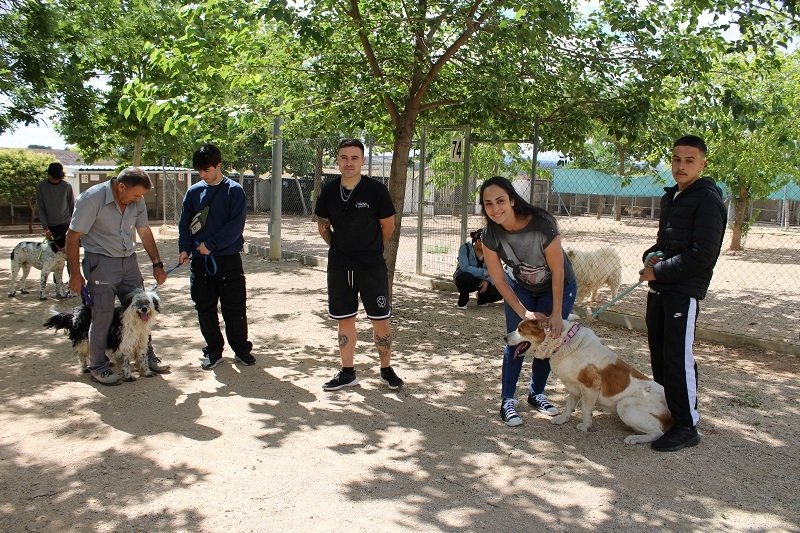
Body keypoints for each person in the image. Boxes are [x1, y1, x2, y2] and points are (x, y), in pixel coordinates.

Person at [639, 135, 726, 452]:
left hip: (683, 292)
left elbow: (703, 254)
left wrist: (659, 270)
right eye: (676, 159)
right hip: (661, 289)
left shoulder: (708, 200)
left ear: (703, 163)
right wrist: (651, 255)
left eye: (689, 160)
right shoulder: (672, 196)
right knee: (660, 353)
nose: (681, 166)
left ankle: (687, 426)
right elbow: (666, 243)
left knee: (678, 358)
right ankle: (669, 414)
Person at [479, 175, 577, 427]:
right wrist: (525, 312)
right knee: (516, 338)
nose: (495, 208)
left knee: (547, 339)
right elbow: (500, 280)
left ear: (512, 200)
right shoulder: (490, 235)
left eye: (500, 200)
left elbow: (558, 271)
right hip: (521, 286)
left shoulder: (541, 224)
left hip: (557, 286)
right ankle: (507, 400)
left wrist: (556, 313)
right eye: (488, 203)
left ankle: (537, 394)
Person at [66, 167, 171, 385]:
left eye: (141, 195)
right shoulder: (92, 199)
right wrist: (75, 273)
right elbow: (73, 236)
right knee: (102, 315)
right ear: (121, 186)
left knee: (143, 310)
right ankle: (99, 366)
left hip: (129, 261)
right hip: (101, 263)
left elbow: (144, 231)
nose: (138, 199)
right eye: (135, 195)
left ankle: (146, 357)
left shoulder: (136, 199)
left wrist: (157, 263)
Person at [313, 138, 404, 391]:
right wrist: (339, 246)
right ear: (338, 160)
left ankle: (386, 370)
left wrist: (371, 247)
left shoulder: (376, 190)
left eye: (354, 158)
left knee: (380, 320)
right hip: (340, 266)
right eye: (344, 157)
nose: (349, 162)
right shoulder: (329, 191)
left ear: (363, 161)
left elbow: (388, 226)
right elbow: (323, 225)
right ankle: (347, 372)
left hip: (371, 265)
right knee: (345, 319)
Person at [178, 143, 254, 370]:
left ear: (219, 166)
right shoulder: (193, 192)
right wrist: (184, 248)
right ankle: (213, 350)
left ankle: (241, 349)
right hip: (200, 262)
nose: (202, 175)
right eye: (199, 171)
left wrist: (210, 245)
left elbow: (235, 226)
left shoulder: (234, 191)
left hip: (228, 259)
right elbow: (184, 224)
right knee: (204, 307)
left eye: (207, 170)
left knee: (235, 308)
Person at [454, 228, 502, 309]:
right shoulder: (464, 248)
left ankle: (482, 298)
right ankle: (463, 301)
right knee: (464, 277)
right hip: (468, 279)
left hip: (483, 281)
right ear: (478, 241)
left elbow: (495, 269)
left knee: (502, 289)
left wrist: (487, 281)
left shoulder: (491, 251)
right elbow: (465, 268)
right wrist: (484, 272)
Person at [37, 162, 74, 250]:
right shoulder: (42, 186)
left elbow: (72, 206)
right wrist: (46, 229)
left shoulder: (67, 186)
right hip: (50, 227)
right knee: (52, 254)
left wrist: (72, 226)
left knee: (68, 253)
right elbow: (40, 208)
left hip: (66, 225)